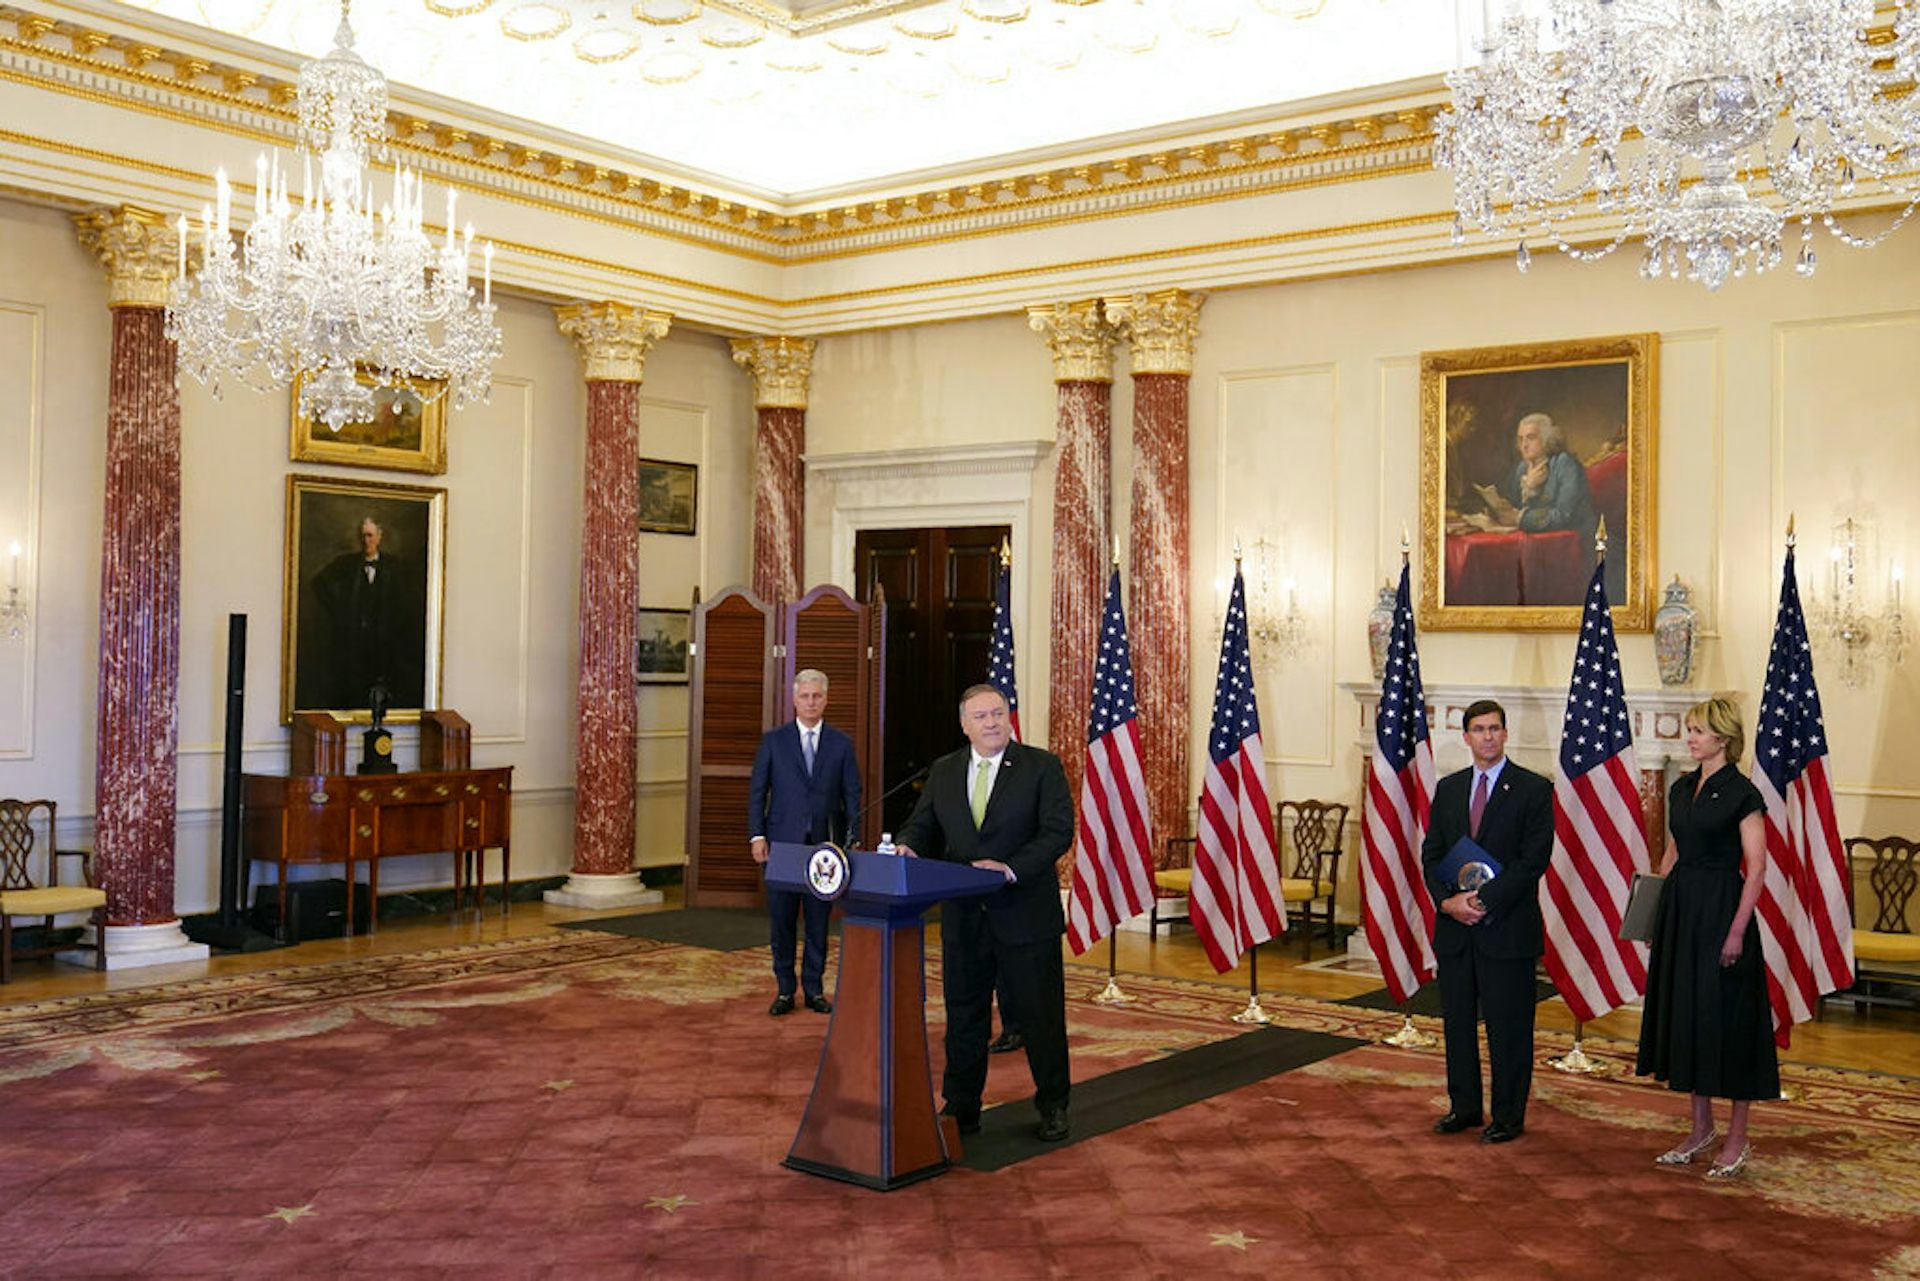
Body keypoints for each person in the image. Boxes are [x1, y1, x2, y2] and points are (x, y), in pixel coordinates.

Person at [896, 684, 1076, 1142]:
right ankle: (961, 1108)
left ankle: (1053, 1104)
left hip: (1024, 914)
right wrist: (907, 845)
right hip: (964, 917)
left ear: (1009, 717)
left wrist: (1010, 869)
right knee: (964, 1015)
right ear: (964, 725)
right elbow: (923, 822)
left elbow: (1057, 832)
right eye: (981, 716)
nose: (992, 722)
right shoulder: (944, 770)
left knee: (1039, 1016)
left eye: (998, 713)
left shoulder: (1041, 767)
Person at [1635, 697, 1778, 1179]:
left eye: (1698, 731)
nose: (1690, 737)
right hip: (1681, 912)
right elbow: (1671, 853)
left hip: (1722, 911)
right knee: (1687, 1019)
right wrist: (1652, 918)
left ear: (1722, 738)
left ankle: (1737, 1136)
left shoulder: (1742, 794)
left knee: (1729, 1024)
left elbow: (1756, 867)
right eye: (1690, 729)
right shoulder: (1681, 788)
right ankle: (1701, 1128)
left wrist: (1736, 930)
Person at [1421, 699, 1555, 1144]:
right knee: (1457, 1023)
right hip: (1456, 931)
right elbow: (1432, 856)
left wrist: (1482, 900)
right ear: (1466, 737)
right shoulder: (1449, 789)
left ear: (1505, 733)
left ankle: (1508, 1116)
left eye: (1495, 728)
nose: (1488, 736)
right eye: (1479, 729)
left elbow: (1533, 861)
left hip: (1507, 929)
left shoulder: (1534, 789)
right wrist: (1448, 904)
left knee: (1509, 1028)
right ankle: (1464, 1107)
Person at [748, 669, 862, 1017]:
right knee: (781, 921)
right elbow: (757, 793)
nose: (811, 702)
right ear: (794, 699)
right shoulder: (774, 741)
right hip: (782, 846)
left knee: (817, 921)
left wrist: (850, 841)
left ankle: (813, 988)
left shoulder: (841, 744)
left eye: (817, 696)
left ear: (826, 699)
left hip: (824, 851)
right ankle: (785, 989)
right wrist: (757, 835)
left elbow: (852, 796)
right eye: (805, 696)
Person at [309, 515, 424, 710]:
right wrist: (339, 610)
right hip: (353, 641)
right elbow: (318, 582)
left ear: (379, 537)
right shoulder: (346, 563)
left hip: (384, 642)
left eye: (370, 536)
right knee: (353, 688)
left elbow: (404, 603)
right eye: (362, 536)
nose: (366, 541)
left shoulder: (393, 566)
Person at [1489, 412, 1597, 546]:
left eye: (1531, 438)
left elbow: (1563, 515)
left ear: (1547, 439)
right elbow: (1512, 506)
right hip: (1535, 542)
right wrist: (1526, 489)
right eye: (1521, 439)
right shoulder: (1522, 468)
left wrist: (1520, 518)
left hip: (1571, 545)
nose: (1524, 445)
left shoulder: (1565, 464)